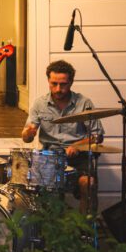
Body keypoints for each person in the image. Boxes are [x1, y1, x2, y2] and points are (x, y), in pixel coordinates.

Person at [22, 59, 104, 213]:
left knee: (89, 183)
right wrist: (28, 133)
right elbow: (27, 137)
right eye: (54, 84)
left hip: (78, 157)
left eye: (63, 84)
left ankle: (83, 230)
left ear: (71, 82)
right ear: (48, 81)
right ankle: (49, 228)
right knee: (40, 191)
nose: (58, 89)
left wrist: (77, 146)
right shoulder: (39, 104)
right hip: (50, 157)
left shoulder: (84, 103)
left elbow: (97, 136)